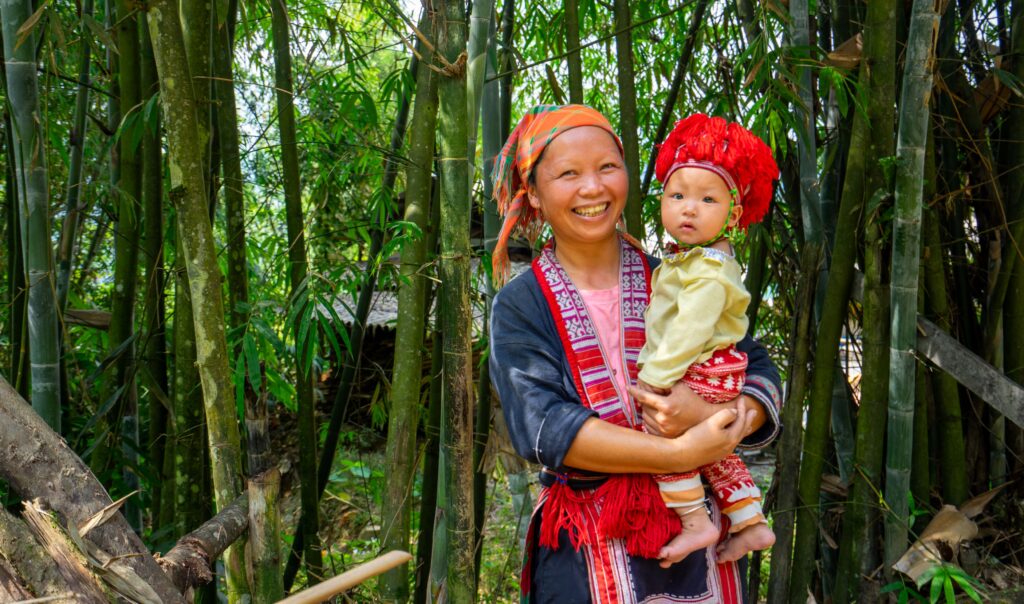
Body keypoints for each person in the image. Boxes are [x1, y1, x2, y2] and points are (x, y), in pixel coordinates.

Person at [488, 104, 782, 603]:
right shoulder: (520, 305)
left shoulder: (679, 274)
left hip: (697, 531)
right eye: (568, 174)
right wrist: (678, 453)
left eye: (607, 167)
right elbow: (543, 427)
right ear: (533, 193)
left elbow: (758, 369)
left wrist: (720, 412)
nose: (593, 188)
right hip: (584, 542)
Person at [636, 113, 779, 566]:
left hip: (700, 371)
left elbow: (689, 330)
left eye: (706, 199)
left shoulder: (709, 270)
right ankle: (752, 522)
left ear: (733, 214)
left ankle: (697, 522)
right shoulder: (691, 261)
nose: (688, 208)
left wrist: (656, 378)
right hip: (715, 373)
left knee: (664, 437)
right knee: (712, 450)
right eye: (676, 196)